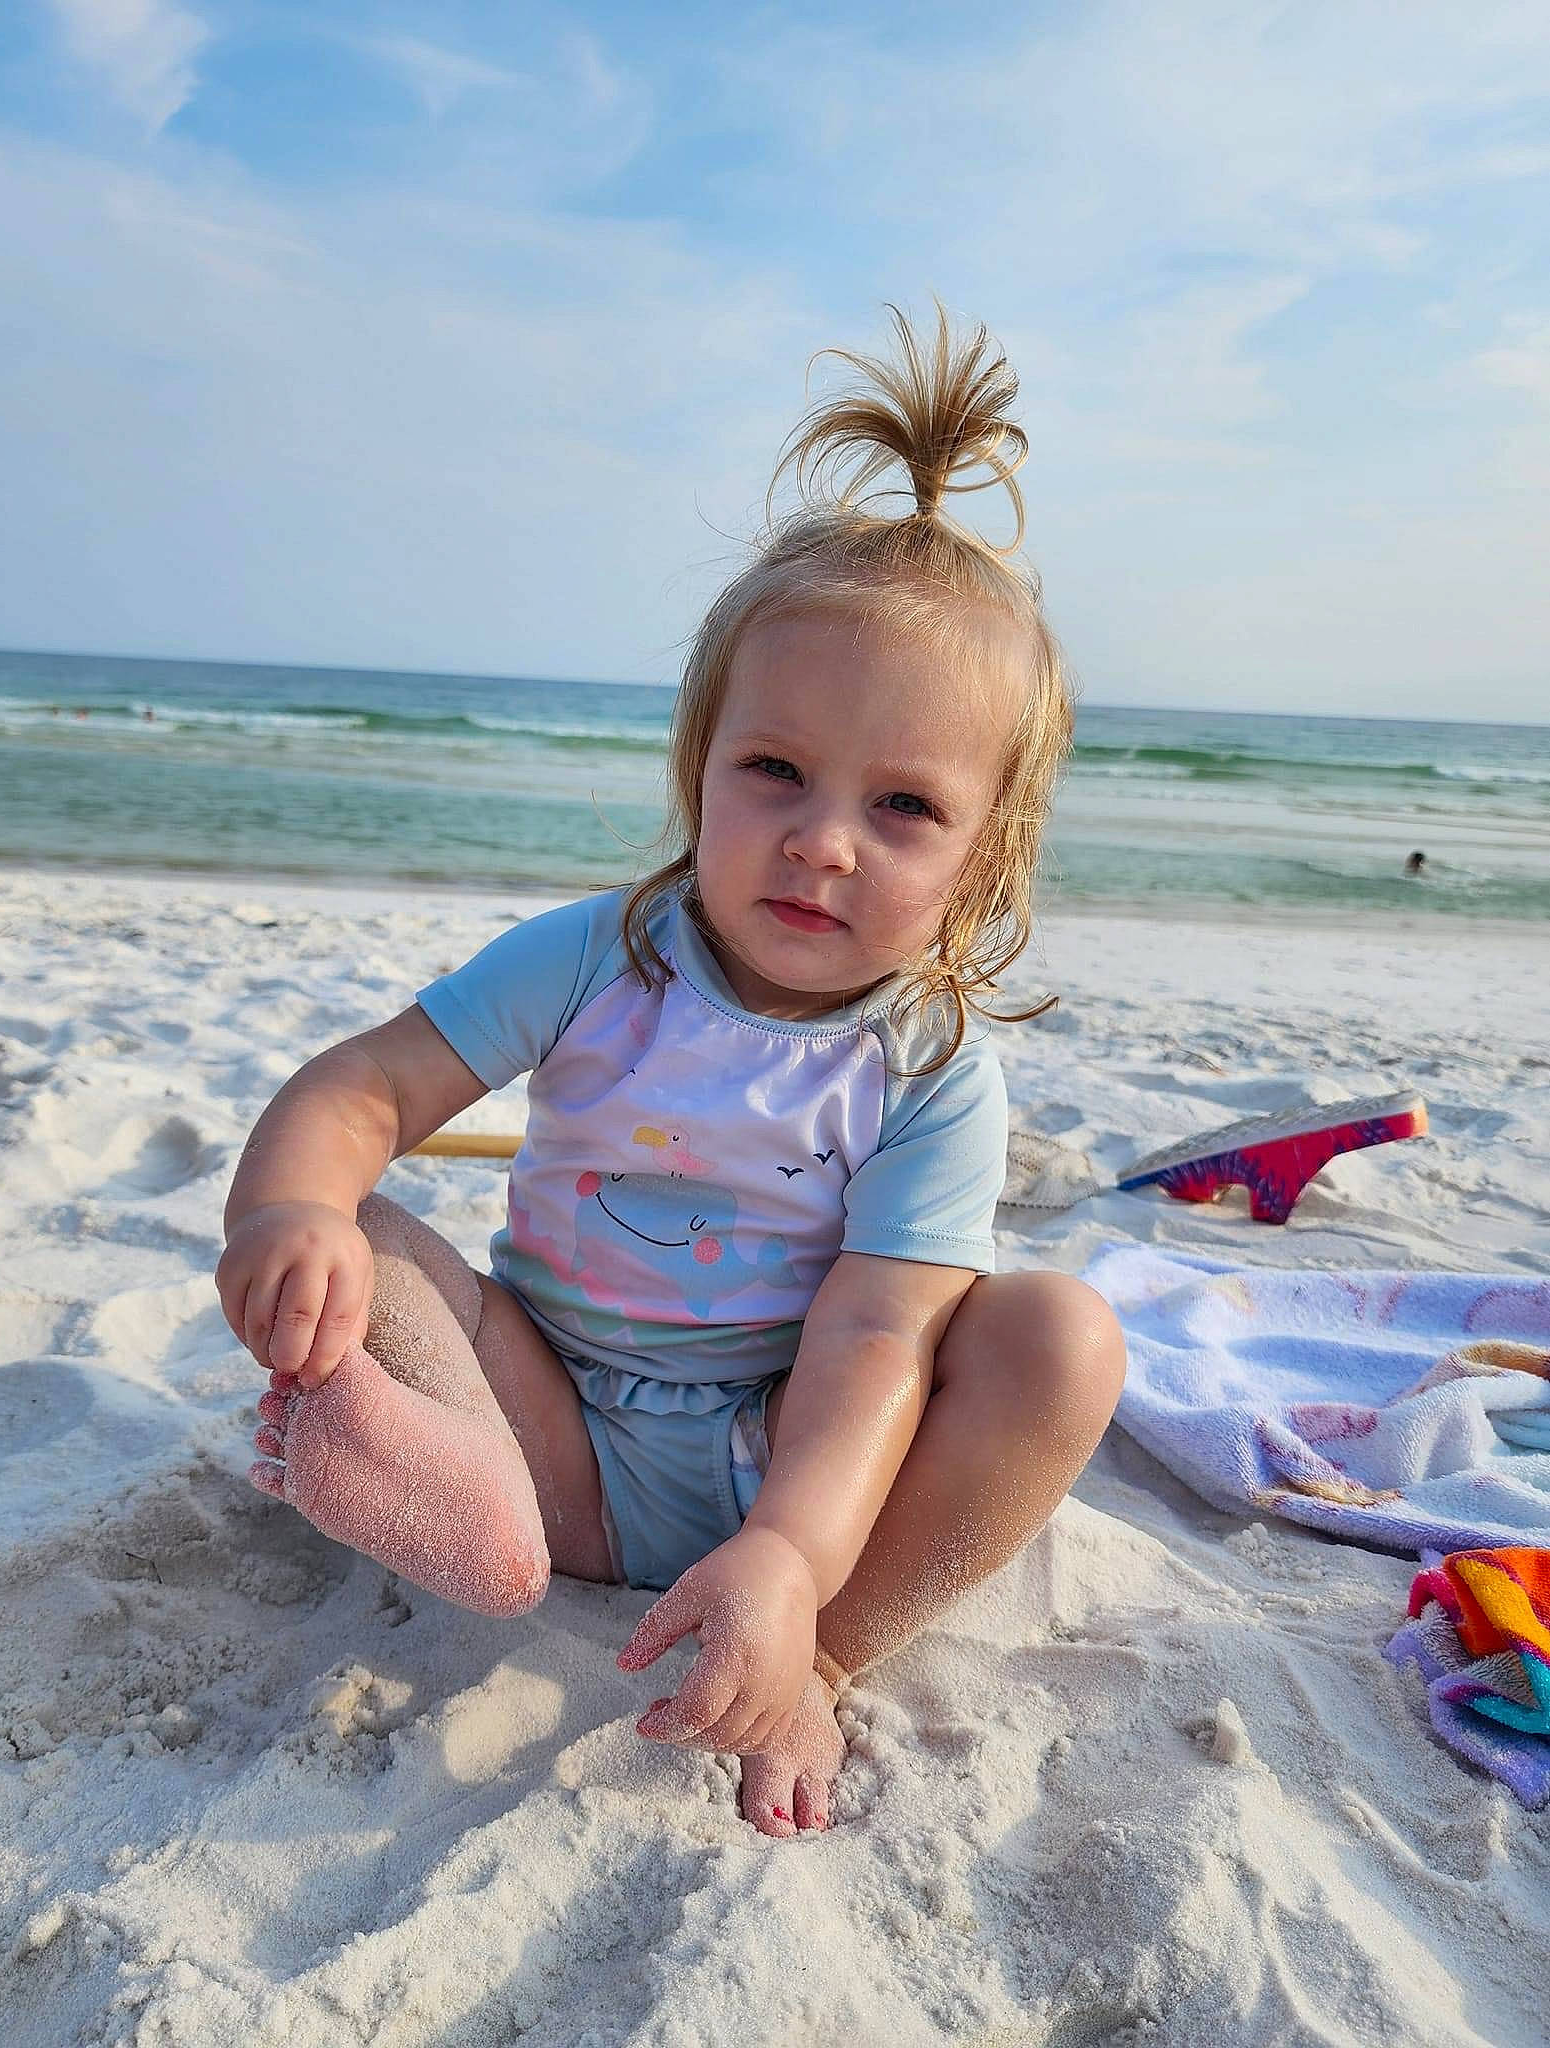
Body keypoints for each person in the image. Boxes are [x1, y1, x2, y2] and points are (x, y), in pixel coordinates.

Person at [217, 307, 1126, 1837]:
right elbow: (366, 1090)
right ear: (698, 770)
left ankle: (816, 1660)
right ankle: (469, 1496)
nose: (820, 840)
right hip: (549, 1419)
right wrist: (286, 1217)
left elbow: (872, 1343)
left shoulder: (927, 1069)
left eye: (902, 806)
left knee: (1059, 1340)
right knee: (360, 1230)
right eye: (774, 771)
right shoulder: (598, 957)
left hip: (797, 1471)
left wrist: (792, 1563)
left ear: (983, 859)